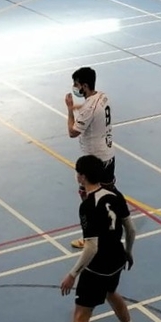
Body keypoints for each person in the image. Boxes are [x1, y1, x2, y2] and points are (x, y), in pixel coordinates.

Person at [56, 155, 139, 322]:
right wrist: (128, 252)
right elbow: (131, 229)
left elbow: (91, 247)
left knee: (81, 317)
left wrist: (73, 274)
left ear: (82, 176)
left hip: (98, 266)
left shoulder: (88, 205)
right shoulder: (115, 194)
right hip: (118, 259)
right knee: (111, 291)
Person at [65, 66, 115, 249]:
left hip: (94, 160)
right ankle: (115, 221)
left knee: (87, 199)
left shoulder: (88, 109)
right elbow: (89, 108)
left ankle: (91, 236)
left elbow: (72, 132)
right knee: (109, 192)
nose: (75, 88)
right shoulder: (102, 96)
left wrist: (70, 110)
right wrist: (77, 106)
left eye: (76, 84)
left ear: (84, 86)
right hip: (109, 155)